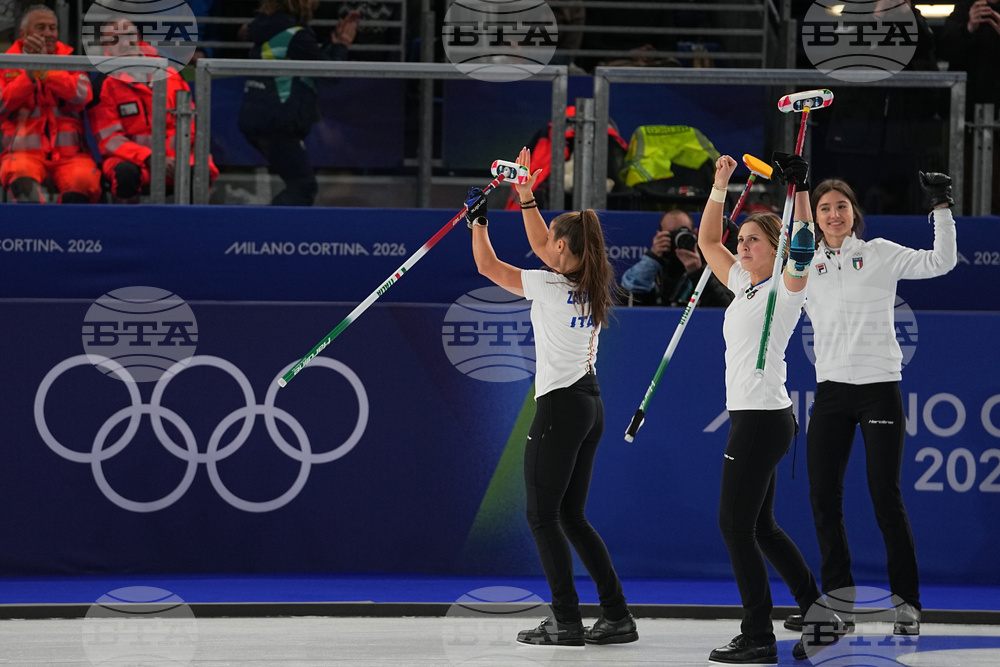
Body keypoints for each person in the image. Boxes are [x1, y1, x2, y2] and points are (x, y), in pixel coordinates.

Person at [466, 146, 637, 648]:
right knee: (571, 516)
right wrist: (525, 197)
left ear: (562, 249)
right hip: (590, 404)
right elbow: (543, 240)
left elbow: (487, 266)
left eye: (551, 244)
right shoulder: (591, 280)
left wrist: (477, 221)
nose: (542, 248)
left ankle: (565, 620)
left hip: (562, 406)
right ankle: (616, 615)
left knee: (543, 516)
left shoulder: (545, 283)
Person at [780, 173, 958, 639]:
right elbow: (773, 288)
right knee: (823, 499)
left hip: (880, 388)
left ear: (853, 212)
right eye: (824, 208)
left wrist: (940, 205)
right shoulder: (805, 264)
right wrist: (794, 190)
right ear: (814, 218)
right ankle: (838, 603)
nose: (834, 214)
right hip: (832, 393)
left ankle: (908, 605)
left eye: (841, 206)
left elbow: (943, 261)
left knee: (885, 498)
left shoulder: (878, 253)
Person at [698, 153, 845, 663]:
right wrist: (720, 184)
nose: (741, 246)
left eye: (752, 240)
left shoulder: (787, 285)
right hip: (756, 417)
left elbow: (804, 241)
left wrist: (801, 186)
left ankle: (758, 635)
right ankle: (821, 615)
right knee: (760, 527)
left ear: (776, 246)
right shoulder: (744, 282)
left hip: (762, 421)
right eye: (742, 241)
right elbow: (707, 242)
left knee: (734, 526)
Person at [238, 0, 360, 206]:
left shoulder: (267, 27)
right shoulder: (296, 35)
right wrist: (341, 46)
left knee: (299, 183)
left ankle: (268, 230)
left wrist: (333, 46)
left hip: (260, 117)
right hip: (276, 121)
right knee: (303, 186)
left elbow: (310, 63)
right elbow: (332, 74)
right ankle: (266, 232)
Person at [86, 17, 219, 203]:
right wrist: (151, 158)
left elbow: (192, 124)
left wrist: (176, 158)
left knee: (201, 171)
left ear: (138, 36)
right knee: (124, 174)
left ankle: (189, 226)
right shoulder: (103, 84)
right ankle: (128, 227)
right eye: (115, 39)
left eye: (129, 35)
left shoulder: (170, 72)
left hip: (176, 159)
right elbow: (110, 140)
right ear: (105, 47)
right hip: (132, 160)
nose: (125, 43)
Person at [0, 5, 101, 203]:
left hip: (72, 157)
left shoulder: (71, 60)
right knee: (23, 183)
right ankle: (36, 232)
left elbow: (83, 95)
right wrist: (29, 76)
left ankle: (69, 234)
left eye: (52, 28)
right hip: (23, 155)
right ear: (23, 33)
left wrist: (47, 72)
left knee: (83, 183)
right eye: (41, 27)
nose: (48, 33)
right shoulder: (5, 63)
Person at [942, 0, 1000, 211]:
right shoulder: (963, 10)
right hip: (963, 116)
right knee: (961, 182)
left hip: (995, 114)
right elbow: (943, 49)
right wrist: (968, 28)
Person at [620, 209, 735, 307]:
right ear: (659, 235)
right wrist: (653, 257)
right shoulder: (655, 262)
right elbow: (629, 290)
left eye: (682, 232)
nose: (677, 238)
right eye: (671, 234)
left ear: (695, 233)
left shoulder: (709, 261)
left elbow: (724, 306)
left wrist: (697, 271)